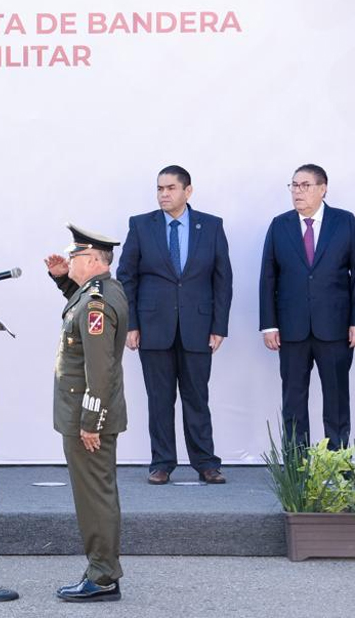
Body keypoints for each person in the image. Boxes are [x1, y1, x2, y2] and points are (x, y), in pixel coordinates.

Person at [116, 165, 232, 485]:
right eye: (159, 189)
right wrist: (131, 325)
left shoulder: (210, 226)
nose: (163, 194)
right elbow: (127, 276)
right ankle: (162, 463)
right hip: (153, 327)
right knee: (160, 399)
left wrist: (218, 325)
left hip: (198, 326)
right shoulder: (141, 225)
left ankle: (206, 463)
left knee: (197, 398)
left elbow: (222, 279)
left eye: (170, 188)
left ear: (187, 191)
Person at [44, 224, 126, 603]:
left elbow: (100, 369)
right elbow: (78, 319)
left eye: (75, 257)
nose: (70, 260)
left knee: (95, 497)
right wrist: (62, 280)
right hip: (84, 415)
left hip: (87, 418)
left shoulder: (97, 303)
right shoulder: (97, 293)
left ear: (93, 260)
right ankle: (102, 569)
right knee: (96, 494)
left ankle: (103, 576)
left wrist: (90, 422)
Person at [259, 164, 355, 450]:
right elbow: (268, 277)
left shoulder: (345, 222)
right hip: (292, 329)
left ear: (323, 188)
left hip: (334, 328)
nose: (298, 191)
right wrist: (269, 325)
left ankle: (337, 462)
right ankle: (297, 465)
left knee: (336, 398)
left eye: (305, 185)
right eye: (294, 185)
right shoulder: (279, 225)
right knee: (293, 400)